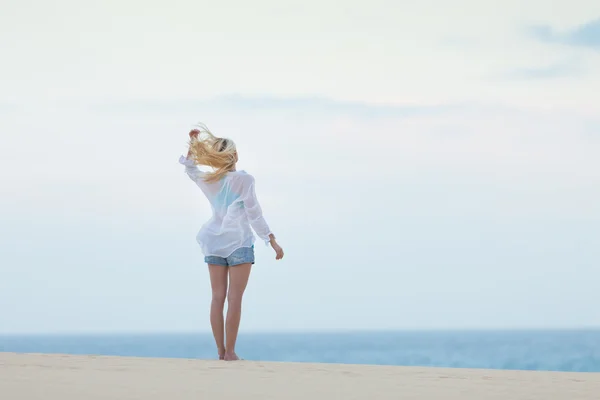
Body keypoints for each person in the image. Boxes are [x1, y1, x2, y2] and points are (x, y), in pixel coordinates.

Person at [179, 123, 284, 361]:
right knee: (234, 299)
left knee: (217, 297)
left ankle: (219, 352)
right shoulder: (244, 180)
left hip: (214, 242)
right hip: (239, 244)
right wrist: (272, 241)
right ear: (235, 156)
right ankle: (230, 353)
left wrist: (193, 145)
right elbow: (254, 214)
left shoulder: (209, 180)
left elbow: (190, 169)